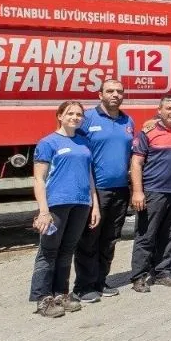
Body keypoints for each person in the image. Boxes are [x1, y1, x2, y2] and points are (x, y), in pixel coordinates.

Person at [30, 101, 99, 317]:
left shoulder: (84, 142)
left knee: (67, 250)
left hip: (80, 203)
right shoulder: (48, 142)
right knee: (49, 251)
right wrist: (44, 211)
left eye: (79, 114)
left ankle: (61, 294)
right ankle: (43, 299)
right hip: (56, 204)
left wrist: (94, 204)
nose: (75, 117)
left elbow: (89, 176)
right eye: (70, 113)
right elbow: (39, 179)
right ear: (60, 116)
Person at [73, 79, 133, 303]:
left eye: (119, 91)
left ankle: (100, 280)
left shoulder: (128, 120)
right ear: (100, 95)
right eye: (110, 91)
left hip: (120, 190)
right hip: (96, 190)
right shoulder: (87, 118)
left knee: (110, 239)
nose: (115, 95)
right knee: (89, 238)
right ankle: (83, 286)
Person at [128, 96, 171, 292]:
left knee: (170, 234)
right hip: (153, 192)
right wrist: (138, 192)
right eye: (169, 108)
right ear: (160, 110)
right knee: (146, 236)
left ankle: (162, 271)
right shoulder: (148, 133)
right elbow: (136, 163)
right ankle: (139, 276)